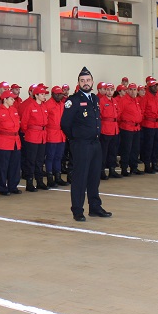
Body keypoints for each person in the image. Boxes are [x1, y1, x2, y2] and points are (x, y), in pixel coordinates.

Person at [60, 67, 111, 222]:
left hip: (95, 144)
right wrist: (75, 139)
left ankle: (95, 207)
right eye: (82, 81)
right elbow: (65, 123)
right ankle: (77, 210)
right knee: (80, 178)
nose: (85, 83)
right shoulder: (73, 101)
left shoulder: (95, 99)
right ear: (79, 83)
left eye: (88, 80)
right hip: (81, 145)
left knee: (94, 177)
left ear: (92, 82)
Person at [0, 90, 21, 196]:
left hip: (15, 141)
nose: (13, 101)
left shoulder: (14, 110)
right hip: (3, 142)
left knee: (14, 165)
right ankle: (2, 188)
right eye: (11, 99)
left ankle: (13, 186)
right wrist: (1, 133)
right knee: (3, 166)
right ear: (5, 99)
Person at [21, 84, 50, 191]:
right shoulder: (30, 107)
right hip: (32, 136)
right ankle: (29, 183)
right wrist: (28, 132)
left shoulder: (44, 106)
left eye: (44, 94)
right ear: (36, 95)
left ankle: (39, 181)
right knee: (31, 160)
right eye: (42, 94)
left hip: (42, 136)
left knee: (40, 160)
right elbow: (24, 122)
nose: (44, 96)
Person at [44, 86, 68, 186]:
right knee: (50, 157)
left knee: (59, 157)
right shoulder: (47, 105)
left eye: (60, 94)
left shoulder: (63, 105)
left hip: (61, 134)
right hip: (51, 134)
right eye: (57, 94)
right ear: (52, 94)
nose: (59, 96)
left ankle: (58, 177)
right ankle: (50, 178)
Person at [98, 83, 121, 178]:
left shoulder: (114, 101)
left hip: (115, 129)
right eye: (108, 89)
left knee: (113, 151)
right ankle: (101, 171)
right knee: (104, 152)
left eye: (111, 90)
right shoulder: (101, 101)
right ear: (104, 91)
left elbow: (118, 112)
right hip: (106, 129)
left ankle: (112, 170)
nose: (110, 92)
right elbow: (99, 115)